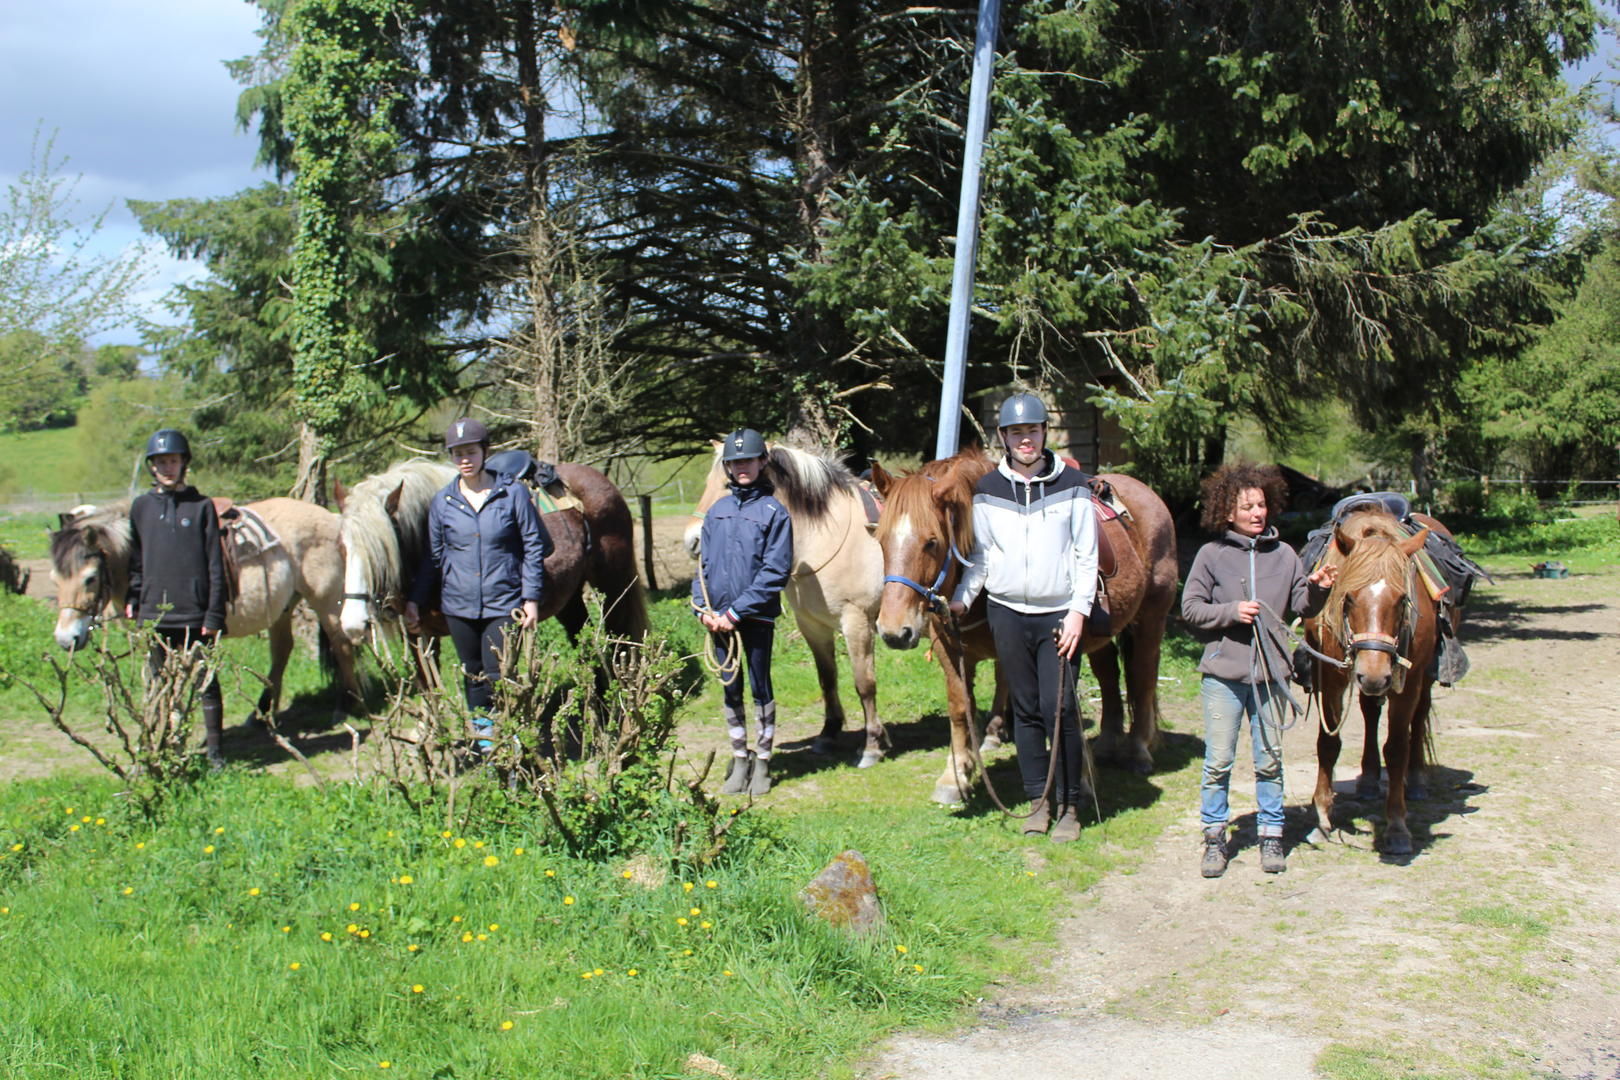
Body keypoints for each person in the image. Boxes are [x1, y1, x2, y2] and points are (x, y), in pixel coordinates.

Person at [950, 393, 1097, 843]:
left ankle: (1071, 804)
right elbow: (982, 557)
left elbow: (1086, 557)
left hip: (1058, 614)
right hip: (1008, 614)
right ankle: (1038, 802)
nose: (1025, 439)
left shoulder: (1073, 486)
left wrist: (1078, 613)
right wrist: (961, 598)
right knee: (1027, 713)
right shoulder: (988, 492)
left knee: (1062, 709)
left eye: (1032, 431)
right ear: (1004, 438)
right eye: (1016, 433)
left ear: (1043, 434)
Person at [1181, 463, 1337, 877]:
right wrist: (1231, 611)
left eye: (1262, 504)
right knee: (1218, 762)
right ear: (1227, 512)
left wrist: (1318, 586)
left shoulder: (1285, 555)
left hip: (1272, 675)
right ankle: (1214, 837)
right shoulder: (1211, 555)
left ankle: (1272, 836)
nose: (1257, 513)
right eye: (1247, 506)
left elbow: (1303, 606)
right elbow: (1190, 608)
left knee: (1270, 760)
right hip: (1223, 678)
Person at [405, 418, 551, 749]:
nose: (465, 460)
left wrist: (530, 598)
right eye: (457, 454)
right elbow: (433, 558)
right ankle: (485, 743)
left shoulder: (512, 493)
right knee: (473, 675)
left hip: (504, 601)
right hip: (459, 605)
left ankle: (512, 743)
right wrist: (415, 599)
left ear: (485, 452)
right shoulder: (442, 502)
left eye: (470, 452)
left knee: (500, 674)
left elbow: (532, 545)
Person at [691, 428, 793, 796]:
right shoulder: (716, 511)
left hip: (755, 617)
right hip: (717, 619)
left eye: (747, 460)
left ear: (763, 462)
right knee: (730, 689)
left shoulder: (774, 513)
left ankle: (763, 761)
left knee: (759, 686)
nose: (741, 467)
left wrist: (735, 612)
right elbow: (702, 566)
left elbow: (775, 571)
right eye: (734, 462)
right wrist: (701, 607)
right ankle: (739, 757)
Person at [125, 428, 229, 768]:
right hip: (155, 614)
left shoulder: (200, 508)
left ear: (184, 464)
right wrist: (134, 597)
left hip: (195, 615)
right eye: (161, 462)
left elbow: (216, 565)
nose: (168, 467)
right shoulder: (141, 508)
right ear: (151, 467)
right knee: (159, 684)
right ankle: (165, 749)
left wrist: (213, 615)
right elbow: (137, 561)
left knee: (206, 683)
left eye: (173, 460)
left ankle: (215, 754)